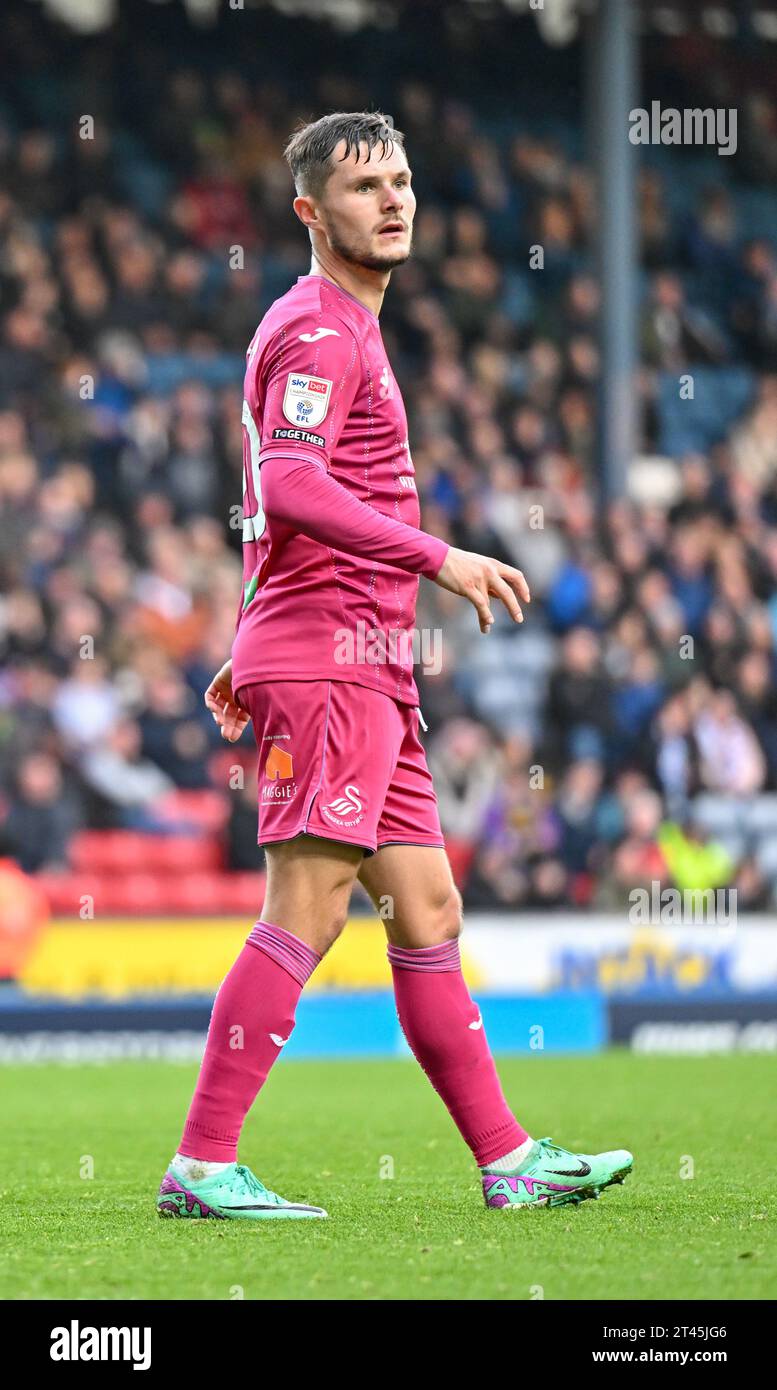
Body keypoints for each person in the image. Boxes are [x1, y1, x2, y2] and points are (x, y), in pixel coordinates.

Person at [157, 111, 632, 1220]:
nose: (395, 200)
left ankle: (508, 1159)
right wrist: (440, 557)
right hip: (332, 657)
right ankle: (202, 1161)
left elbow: (267, 505)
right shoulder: (321, 330)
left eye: (404, 180)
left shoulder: (348, 326)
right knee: (311, 904)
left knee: (427, 906)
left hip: (358, 659)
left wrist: (250, 631)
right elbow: (291, 483)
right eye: (367, 185)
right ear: (312, 213)